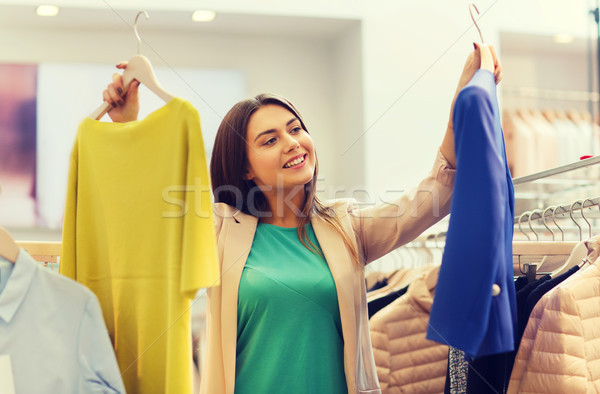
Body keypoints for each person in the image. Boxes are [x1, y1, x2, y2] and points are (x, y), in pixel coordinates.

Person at [103, 43, 502, 394]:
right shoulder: (220, 230)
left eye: (295, 129)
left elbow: (438, 188)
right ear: (244, 168)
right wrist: (126, 128)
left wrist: (464, 97)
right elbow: (142, 220)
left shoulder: (346, 227)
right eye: (270, 139)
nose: (293, 143)